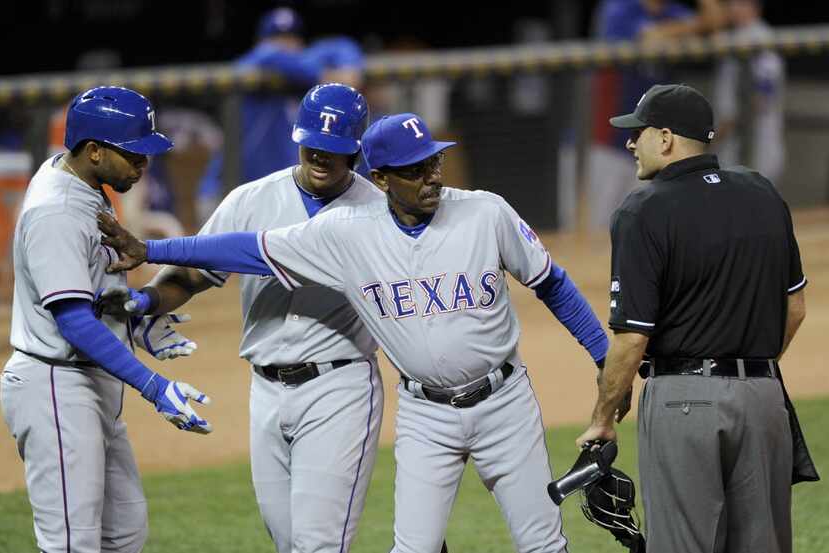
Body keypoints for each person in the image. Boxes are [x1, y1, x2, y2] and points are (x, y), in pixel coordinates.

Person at [97, 112, 610, 553]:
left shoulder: (485, 212)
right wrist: (153, 252)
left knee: (542, 542)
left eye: (434, 162)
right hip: (425, 415)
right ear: (383, 178)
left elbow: (554, 285)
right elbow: (246, 248)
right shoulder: (348, 233)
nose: (432, 177)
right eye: (415, 170)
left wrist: (608, 359)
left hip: (505, 404)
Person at [94, 83, 385, 553]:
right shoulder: (252, 199)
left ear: (355, 152)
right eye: (313, 144)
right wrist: (146, 302)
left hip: (340, 388)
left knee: (319, 545)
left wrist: (150, 250)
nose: (320, 156)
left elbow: (247, 252)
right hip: (266, 392)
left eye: (334, 150)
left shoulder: (375, 213)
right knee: (288, 540)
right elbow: (193, 275)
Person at [576, 83, 816, 553]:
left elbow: (630, 339)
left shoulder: (642, 211)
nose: (630, 143)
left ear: (665, 138)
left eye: (638, 133)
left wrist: (604, 418)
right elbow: (795, 306)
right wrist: (747, 366)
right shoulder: (762, 192)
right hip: (765, 399)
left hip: (683, 403)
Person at [0, 86, 210, 553]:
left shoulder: (84, 183)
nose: (143, 165)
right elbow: (72, 320)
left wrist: (134, 315)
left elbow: (92, 281)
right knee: (73, 543)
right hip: (56, 384)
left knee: (124, 533)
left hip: (86, 381)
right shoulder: (56, 211)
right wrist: (154, 387)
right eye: (133, 155)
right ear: (93, 150)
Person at [196, 6, 365, 221]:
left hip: (264, 200)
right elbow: (267, 56)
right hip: (224, 195)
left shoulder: (299, 81)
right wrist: (323, 74)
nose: (285, 44)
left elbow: (342, 45)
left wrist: (349, 67)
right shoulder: (252, 68)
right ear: (261, 41)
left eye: (291, 37)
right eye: (276, 37)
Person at [587, 0, 725, 229]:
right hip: (609, 141)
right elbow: (649, 39)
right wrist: (692, 27)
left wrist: (687, 26)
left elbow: (716, 25)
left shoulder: (672, 11)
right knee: (599, 228)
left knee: (645, 227)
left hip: (654, 144)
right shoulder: (619, 8)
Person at [712, 0, 786, 182]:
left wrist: (715, 137)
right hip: (735, 143)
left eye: (740, 3)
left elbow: (760, 97)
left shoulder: (761, 38)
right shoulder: (737, 36)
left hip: (755, 145)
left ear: (755, 7)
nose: (732, 8)